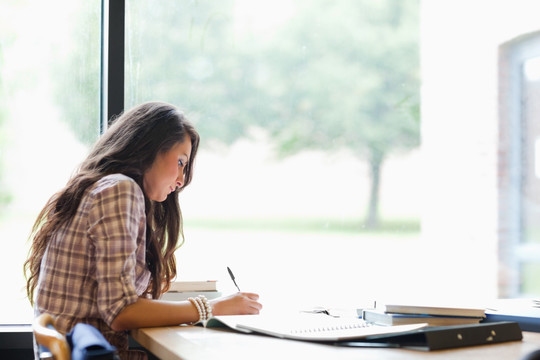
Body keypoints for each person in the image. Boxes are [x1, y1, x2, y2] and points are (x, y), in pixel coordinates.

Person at [24, 101, 262, 357]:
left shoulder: (102, 188)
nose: (181, 180)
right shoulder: (119, 190)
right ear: (150, 149)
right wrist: (212, 307)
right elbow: (120, 312)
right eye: (181, 162)